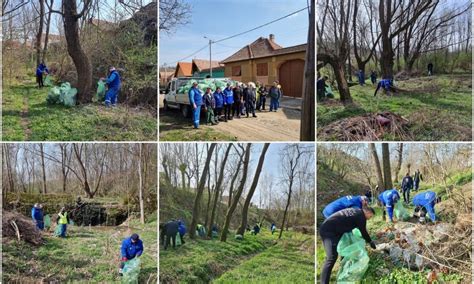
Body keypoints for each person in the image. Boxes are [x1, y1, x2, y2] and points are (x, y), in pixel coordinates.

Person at [319, 207, 376, 284]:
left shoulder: (356, 210)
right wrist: (370, 241)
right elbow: (363, 232)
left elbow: (348, 222)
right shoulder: (361, 216)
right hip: (328, 231)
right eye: (370, 216)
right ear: (367, 212)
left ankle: (343, 267)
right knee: (331, 258)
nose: (369, 218)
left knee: (345, 248)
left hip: (332, 228)